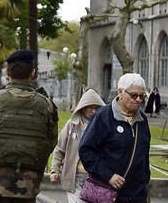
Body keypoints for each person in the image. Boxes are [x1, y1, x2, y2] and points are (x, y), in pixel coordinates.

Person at [0, 49, 58, 203]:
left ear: (7, 72)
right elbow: (51, 141)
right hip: (27, 190)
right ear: (33, 72)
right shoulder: (47, 106)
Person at [79, 73, 151, 203]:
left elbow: (144, 156)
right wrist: (108, 176)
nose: (138, 100)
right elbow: (86, 151)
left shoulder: (142, 120)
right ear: (120, 92)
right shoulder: (103, 116)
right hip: (108, 193)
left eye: (142, 96)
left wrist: (145, 180)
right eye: (134, 95)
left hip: (137, 195)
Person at [49, 89, 105, 202]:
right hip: (75, 177)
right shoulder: (72, 125)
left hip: (97, 177)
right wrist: (55, 170)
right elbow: (60, 149)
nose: (93, 111)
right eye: (90, 107)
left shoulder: (104, 126)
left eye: (96, 108)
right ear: (83, 107)